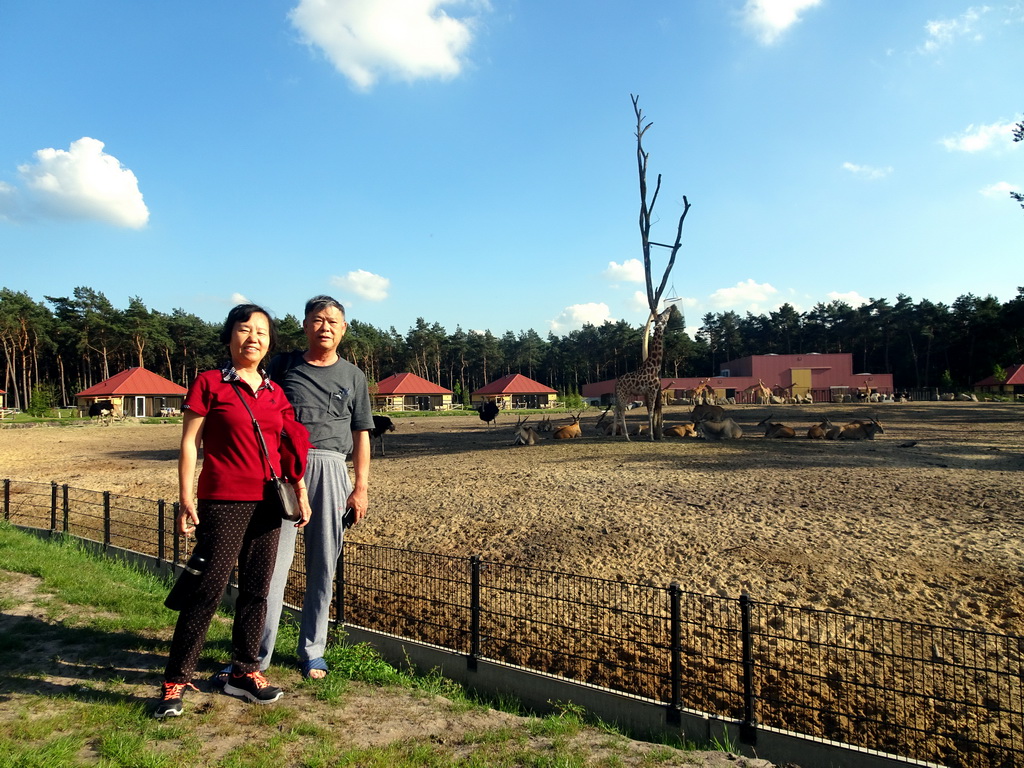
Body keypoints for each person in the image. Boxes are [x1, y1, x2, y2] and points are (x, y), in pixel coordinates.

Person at [155, 304, 313, 719]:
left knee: (258, 590)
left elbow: (288, 449)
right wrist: (186, 496)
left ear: (270, 342)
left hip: (269, 504)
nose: (253, 338)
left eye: (262, 332)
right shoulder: (210, 383)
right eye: (245, 330)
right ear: (230, 337)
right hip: (222, 500)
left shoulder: (275, 391)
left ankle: (244, 672)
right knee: (207, 590)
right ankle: (175, 680)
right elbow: (190, 443)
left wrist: (301, 493)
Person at [240, 295, 373, 681]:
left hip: (332, 470)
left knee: (323, 566)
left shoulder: (354, 377)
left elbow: (361, 434)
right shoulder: (281, 366)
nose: (325, 327)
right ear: (304, 325)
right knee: (271, 568)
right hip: (283, 474)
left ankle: (313, 650)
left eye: (333, 321)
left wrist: (360, 487)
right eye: (318, 320)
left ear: (344, 329)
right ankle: (257, 656)